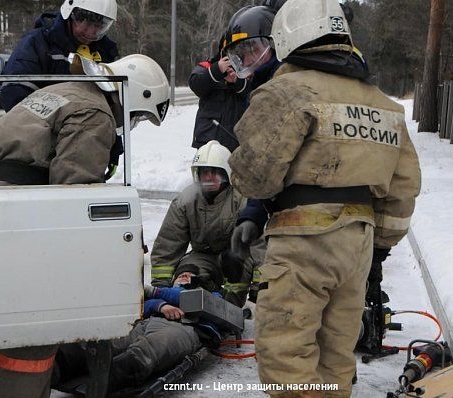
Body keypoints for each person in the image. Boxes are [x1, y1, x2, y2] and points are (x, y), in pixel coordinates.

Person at [228, 0, 421, 396]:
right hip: (358, 246)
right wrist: (379, 248)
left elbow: (254, 177)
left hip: (303, 240)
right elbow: (403, 190)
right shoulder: (385, 106)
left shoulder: (286, 92)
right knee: (336, 355)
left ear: (286, 36)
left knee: (288, 352)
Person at [0, 53, 170, 398]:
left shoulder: (57, 91)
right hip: (21, 227)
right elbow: (75, 200)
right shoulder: (95, 114)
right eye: (139, 116)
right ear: (136, 95)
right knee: (28, 342)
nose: (132, 123)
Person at [54, 264, 225, 393]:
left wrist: (157, 294)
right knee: (105, 343)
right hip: (144, 322)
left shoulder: (209, 296)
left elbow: (203, 304)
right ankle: (57, 365)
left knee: (146, 350)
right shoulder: (163, 293)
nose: (184, 276)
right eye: (180, 274)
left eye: (189, 275)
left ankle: (106, 381)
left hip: (184, 328)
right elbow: (140, 306)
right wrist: (160, 306)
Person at [150, 140, 264, 308]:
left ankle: (228, 310)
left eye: (214, 172)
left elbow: (258, 247)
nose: (208, 177)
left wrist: (259, 286)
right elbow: (168, 243)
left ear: (227, 174)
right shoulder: (185, 202)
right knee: (187, 274)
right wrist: (161, 285)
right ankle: (192, 305)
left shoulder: (242, 200)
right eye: (204, 172)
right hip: (202, 256)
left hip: (237, 256)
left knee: (235, 265)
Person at [0, 0, 119, 112]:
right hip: (48, 126)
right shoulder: (38, 44)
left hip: (96, 125)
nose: (91, 32)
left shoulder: (106, 52)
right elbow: (14, 94)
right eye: (86, 23)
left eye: (99, 26)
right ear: (70, 14)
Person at [189, 34, 250, 152]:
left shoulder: (249, 69)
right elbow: (195, 84)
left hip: (235, 142)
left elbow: (254, 93)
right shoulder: (208, 66)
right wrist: (217, 70)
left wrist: (237, 82)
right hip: (208, 140)